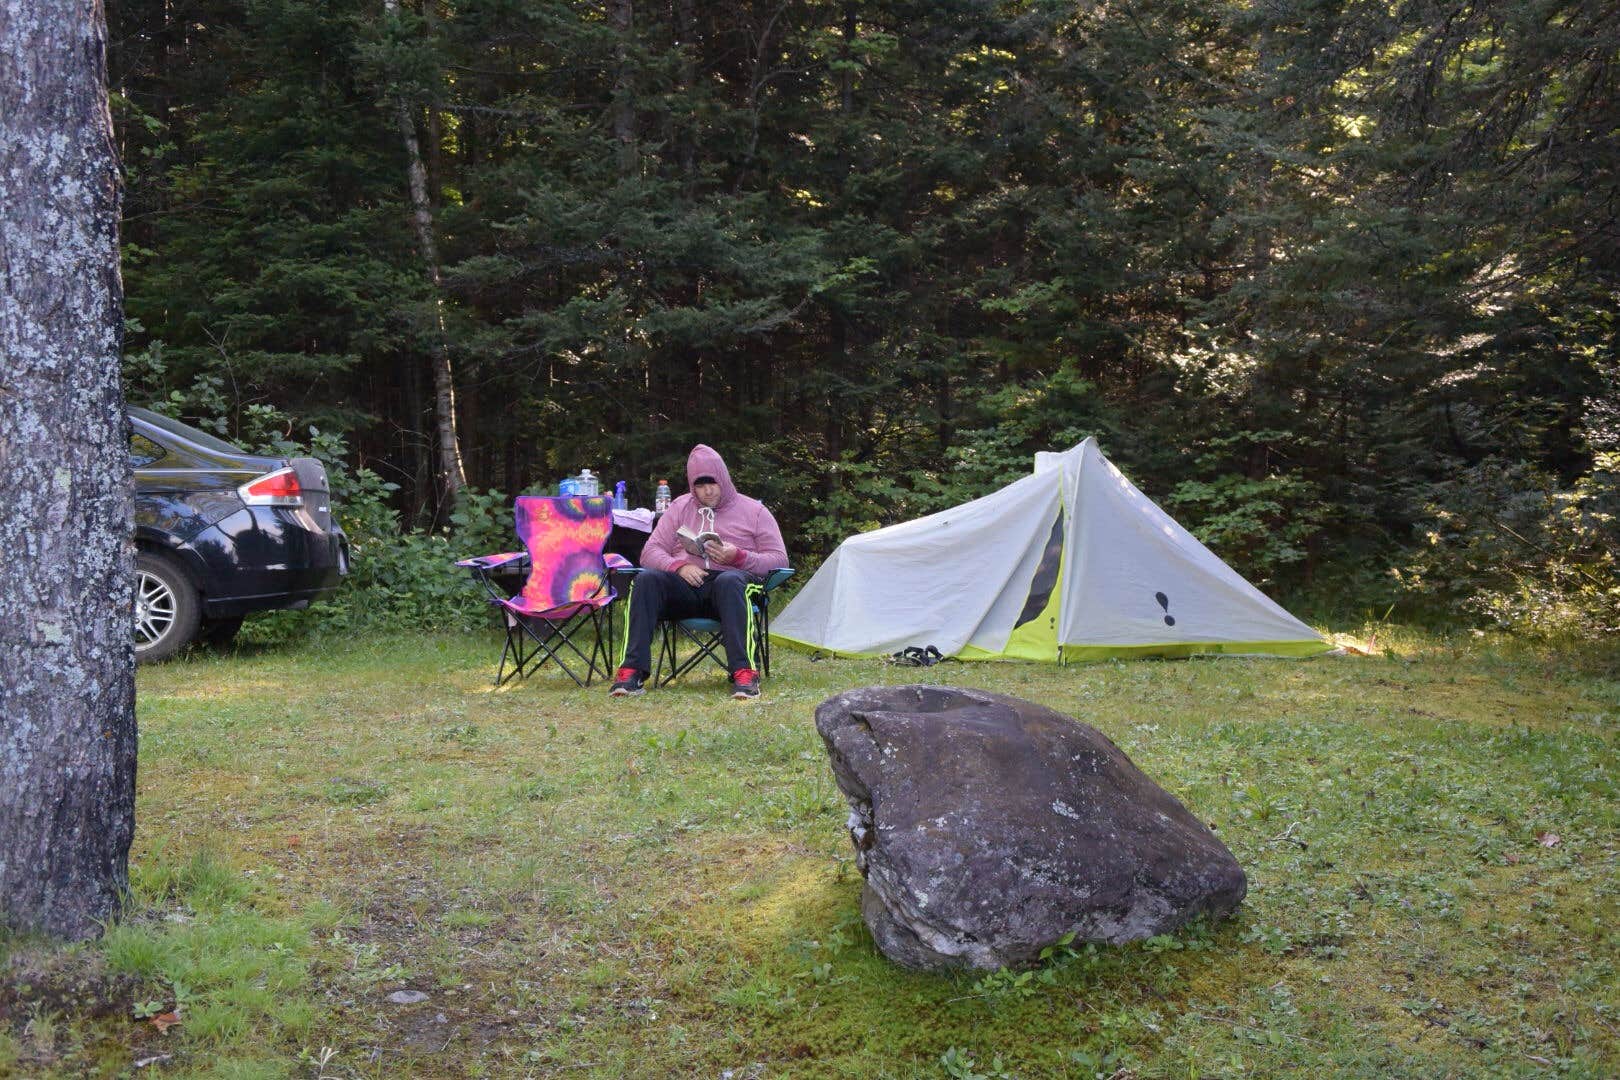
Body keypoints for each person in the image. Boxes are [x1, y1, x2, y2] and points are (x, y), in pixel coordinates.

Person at [610, 445, 789, 700]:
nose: (707, 491)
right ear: (692, 487)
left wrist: (739, 556)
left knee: (730, 581)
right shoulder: (680, 507)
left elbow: (779, 559)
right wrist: (679, 566)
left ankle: (745, 673)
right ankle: (631, 672)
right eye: (700, 485)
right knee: (645, 579)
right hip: (686, 586)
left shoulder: (755, 511)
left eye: (712, 483)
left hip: (731, 589)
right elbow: (649, 553)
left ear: (723, 479)